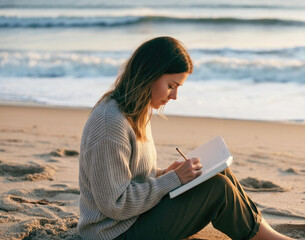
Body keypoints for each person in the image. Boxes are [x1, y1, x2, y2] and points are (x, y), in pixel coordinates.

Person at [78, 36, 293, 240]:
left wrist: (163, 173)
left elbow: (128, 175)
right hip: (112, 232)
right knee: (217, 188)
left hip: (132, 220)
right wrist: (173, 180)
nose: (174, 96)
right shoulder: (111, 123)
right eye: (171, 85)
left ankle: (264, 232)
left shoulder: (136, 111)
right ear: (149, 74)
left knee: (218, 171)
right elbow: (115, 204)